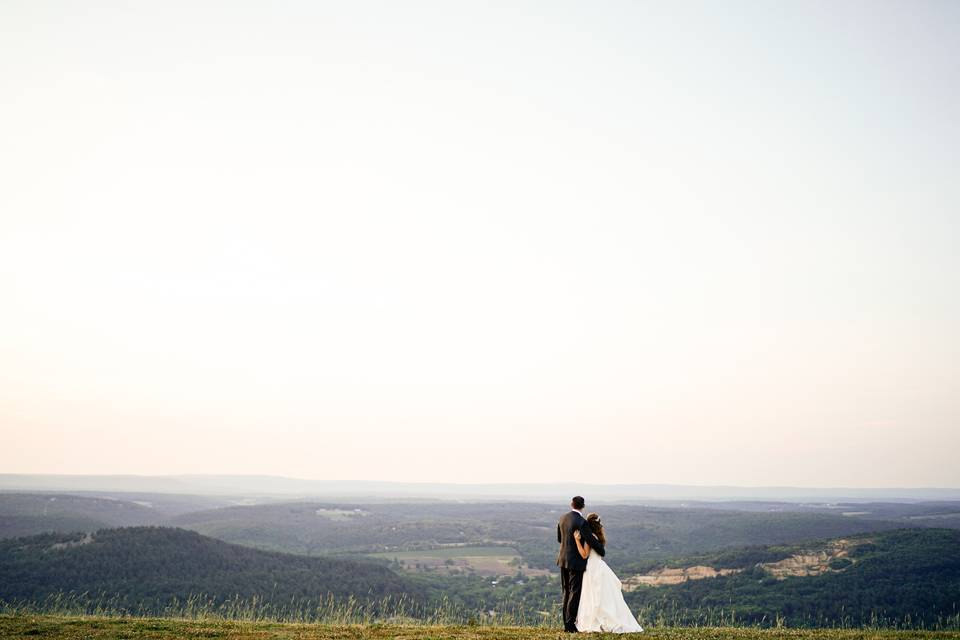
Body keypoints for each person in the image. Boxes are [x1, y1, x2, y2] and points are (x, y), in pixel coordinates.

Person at [572, 512, 644, 633]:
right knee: (604, 595)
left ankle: (594, 620)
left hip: (591, 568)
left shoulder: (590, 538)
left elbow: (584, 555)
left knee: (592, 594)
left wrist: (577, 541)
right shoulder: (598, 537)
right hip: (600, 567)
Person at [556, 496, 607, 632]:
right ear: (583, 506)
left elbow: (560, 539)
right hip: (576, 562)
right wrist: (601, 550)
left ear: (571, 504)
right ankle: (570, 625)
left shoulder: (562, 518)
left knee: (566, 591)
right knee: (574, 592)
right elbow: (591, 540)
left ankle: (566, 623)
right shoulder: (582, 522)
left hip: (563, 559)